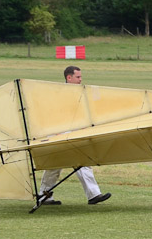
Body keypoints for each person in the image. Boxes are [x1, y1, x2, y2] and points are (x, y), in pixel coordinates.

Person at [37, 66, 111, 206]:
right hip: (58, 133)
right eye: (78, 77)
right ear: (68, 78)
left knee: (74, 163)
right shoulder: (58, 93)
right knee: (59, 165)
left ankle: (92, 195)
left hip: (72, 133)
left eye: (81, 77)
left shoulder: (81, 93)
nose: (80, 80)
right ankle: (46, 197)